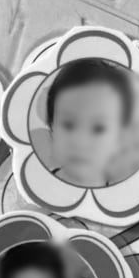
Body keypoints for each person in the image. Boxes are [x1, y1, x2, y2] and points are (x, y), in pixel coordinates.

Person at [45, 58, 133, 188]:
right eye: (69, 125)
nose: (82, 141)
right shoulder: (39, 186)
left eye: (98, 128)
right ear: (52, 125)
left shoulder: (124, 191)